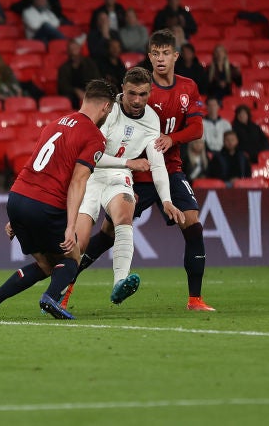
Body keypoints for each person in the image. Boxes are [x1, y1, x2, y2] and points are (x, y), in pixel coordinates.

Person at [80, 29, 214, 311]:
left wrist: (172, 139)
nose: (161, 59)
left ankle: (195, 299)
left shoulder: (188, 87)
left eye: (166, 53)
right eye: (155, 53)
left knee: (192, 223)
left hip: (169, 167)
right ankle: (66, 284)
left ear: (175, 56)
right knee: (108, 233)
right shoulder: (138, 89)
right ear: (149, 56)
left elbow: (198, 128)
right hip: (132, 173)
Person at [0, 79, 115, 321]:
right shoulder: (94, 136)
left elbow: (34, 165)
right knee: (73, 257)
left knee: (47, 265)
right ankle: (49, 297)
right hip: (45, 204)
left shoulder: (54, 124)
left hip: (18, 197)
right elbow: (78, 182)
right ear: (106, 107)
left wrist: (16, 217)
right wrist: (70, 227)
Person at [67, 68, 185, 307]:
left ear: (150, 92)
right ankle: (61, 291)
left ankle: (120, 282)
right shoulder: (108, 111)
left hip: (119, 175)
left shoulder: (152, 119)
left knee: (124, 214)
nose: (137, 100)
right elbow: (93, 155)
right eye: (132, 93)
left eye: (143, 94)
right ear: (123, 89)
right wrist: (129, 162)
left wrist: (166, 200)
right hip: (90, 173)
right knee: (79, 242)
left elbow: (157, 162)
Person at [57, 40, 101, 108]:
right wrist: (76, 91)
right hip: (72, 96)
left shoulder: (90, 64)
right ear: (68, 52)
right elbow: (63, 87)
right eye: (71, 50)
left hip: (90, 92)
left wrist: (87, 93)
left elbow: (97, 80)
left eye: (75, 49)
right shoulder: (64, 68)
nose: (74, 52)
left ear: (80, 49)